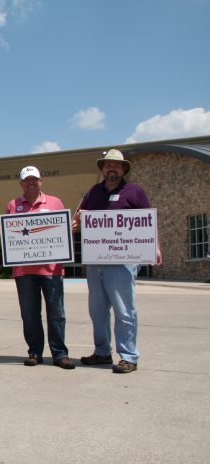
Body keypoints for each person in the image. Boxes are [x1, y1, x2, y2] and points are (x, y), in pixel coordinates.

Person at [74, 149, 162, 374]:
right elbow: (78, 218)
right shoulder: (93, 192)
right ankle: (102, 352)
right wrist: (76, 221)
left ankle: (129, 356)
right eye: (107, 165)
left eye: (116, 165)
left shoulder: (134, 191)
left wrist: (156, 246)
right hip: (96, 262)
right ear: (103, 169)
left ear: (123, 169)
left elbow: (149, 221)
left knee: (124, 311)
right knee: (97, 311)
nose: (111, 168)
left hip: (123, 262)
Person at [4, 166, 75, 369]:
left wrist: (69, 228)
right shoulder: (13, 205)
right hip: (24, 270)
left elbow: (62, 233)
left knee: (57, 313)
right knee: (29, 314)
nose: (31, 183)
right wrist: (3, 232)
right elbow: (11, 235)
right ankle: (35, 352)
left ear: (40, 181)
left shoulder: (55, 202)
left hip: (52, 269)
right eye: (27, 180)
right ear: (21, 183)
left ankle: (60, 354)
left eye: (34, 179)